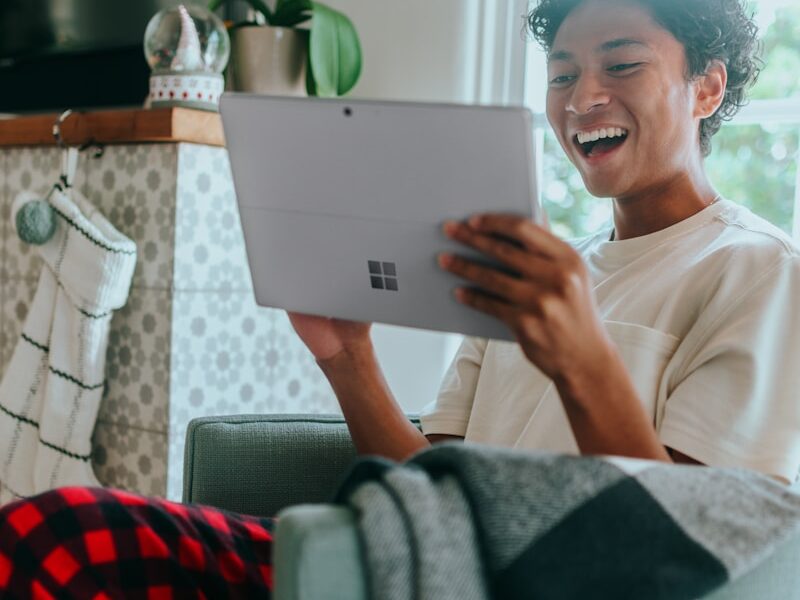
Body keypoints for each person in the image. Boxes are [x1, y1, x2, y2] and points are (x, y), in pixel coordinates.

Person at [2, 0, 798, 597]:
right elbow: (430, 487)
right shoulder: (530, 273)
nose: (582, 96)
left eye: (621, 66)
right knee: (58, 533)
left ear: (706, 87)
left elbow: (684, 545)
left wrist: (581, 358)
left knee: (62, 536)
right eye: (562, 74)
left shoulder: (759, 273)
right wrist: (348, 357)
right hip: (419, 566)